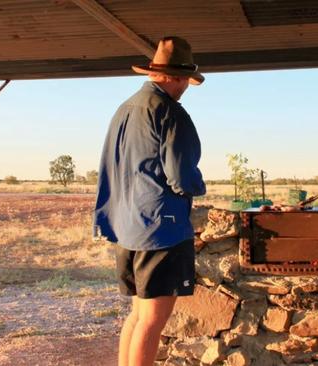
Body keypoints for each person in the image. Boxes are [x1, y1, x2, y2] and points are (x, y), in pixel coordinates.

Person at [94, 36, 206, 366]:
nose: (185, 85)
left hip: (127, 227)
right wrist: (200, 184)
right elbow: (180, 177)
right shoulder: (170, 112)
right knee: (152, 321)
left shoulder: (125, 109)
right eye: (184, 78)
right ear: (174, 76)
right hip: (161, 229)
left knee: (138, 316)